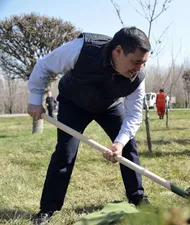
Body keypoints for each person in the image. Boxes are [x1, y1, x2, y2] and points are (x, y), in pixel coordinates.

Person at [27, 27, 151, 224]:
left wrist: (118, 143)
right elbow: (44, 66)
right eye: (136, 62)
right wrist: (35, 99)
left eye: (143, 63)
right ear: (118, 51)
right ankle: (47, 209)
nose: (139, 68)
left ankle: (137, 196)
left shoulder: (137, 78)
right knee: (65, 152)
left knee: (128, 145)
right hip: (73, 102)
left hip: (108, 105)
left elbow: (134, 115)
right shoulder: (81, 49)